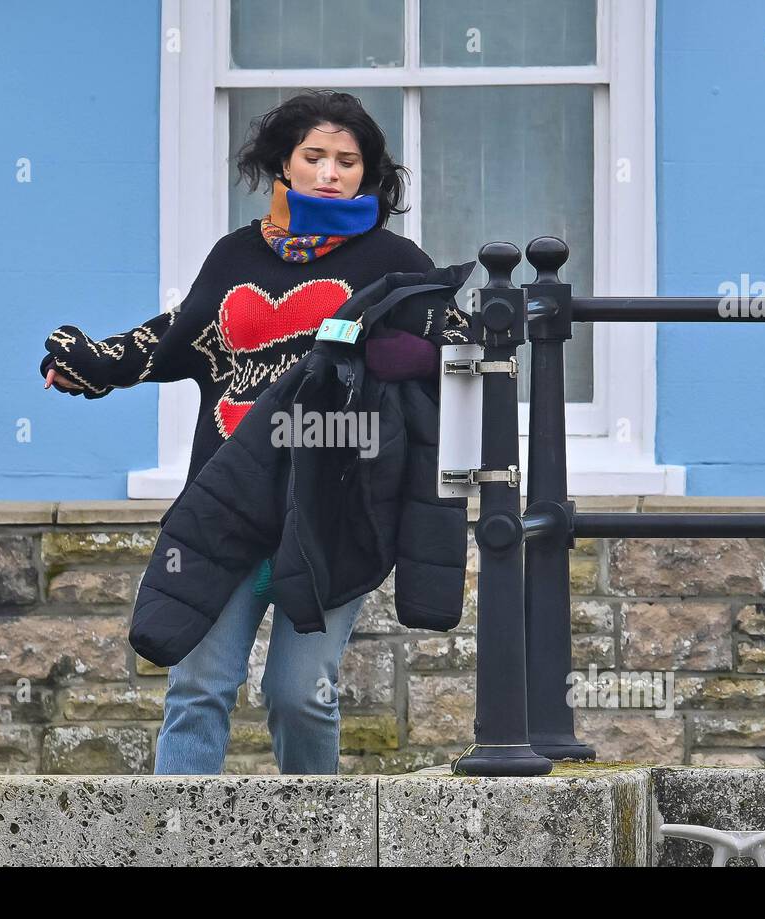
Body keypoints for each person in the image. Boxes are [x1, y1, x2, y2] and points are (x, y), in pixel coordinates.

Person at [40, 90, 466, 775]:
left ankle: (319, 839)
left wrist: (389, 352)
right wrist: (92, 365)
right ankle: (177, 848)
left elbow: (460, 350)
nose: (330, 173)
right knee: (197, 688)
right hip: (228, 504)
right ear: (284, 165)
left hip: (334, 510)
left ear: (368, 173)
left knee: (300, 697)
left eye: (348, 161)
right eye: (315, 157)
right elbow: (176, 337)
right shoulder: (235, 255)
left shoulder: (396, 263)